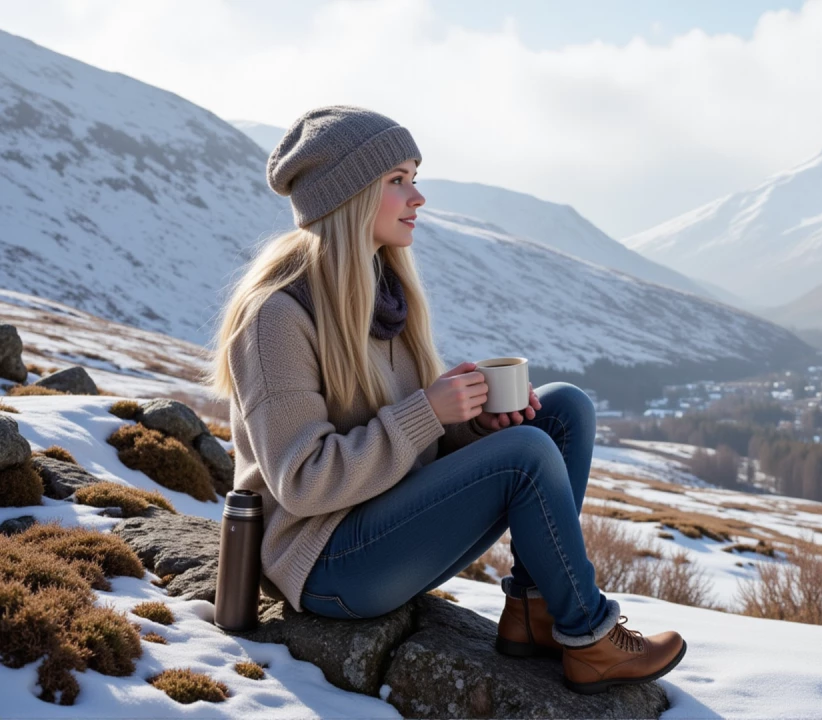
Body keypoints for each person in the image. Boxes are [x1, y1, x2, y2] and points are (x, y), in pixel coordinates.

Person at [204, 105, 685, 694]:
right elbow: (304, 483)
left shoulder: (385, 296)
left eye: (415, 176)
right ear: (349, 197)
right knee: (526, 455)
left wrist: (472, 426)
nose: (418, 197)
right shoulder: (277, 317)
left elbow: (409, 443)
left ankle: (533, 612)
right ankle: (588, 635)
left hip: (381, 524)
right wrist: (429, 412)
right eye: (398, 181)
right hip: (324, 566)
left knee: (563, 410)